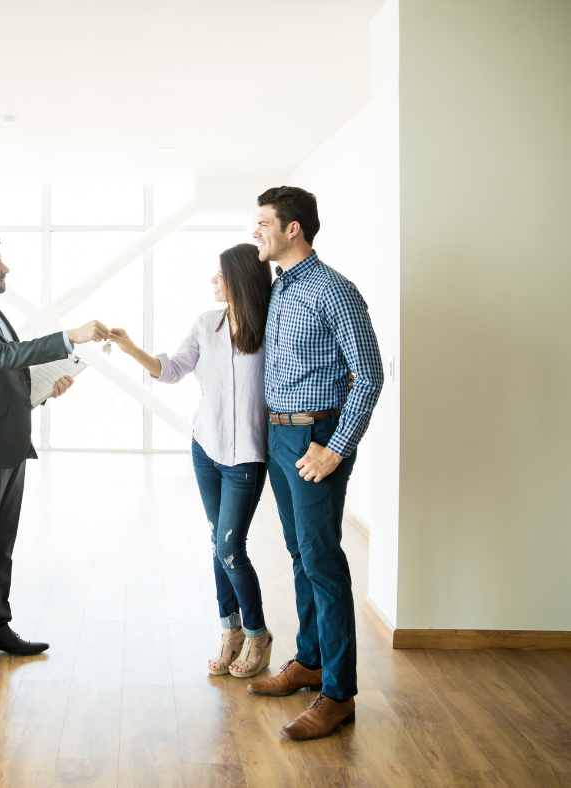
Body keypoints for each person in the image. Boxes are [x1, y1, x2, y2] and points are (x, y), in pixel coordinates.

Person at [0, 232, 109, 680]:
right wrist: (68, 337)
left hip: (12, 441)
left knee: (0, 547)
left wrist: (42, 390)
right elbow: (1, 355)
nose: (5, 269)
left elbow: (7, 373)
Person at [245, 187, 383, 740]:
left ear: (293, 228)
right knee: (300, 552)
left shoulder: (334, 291)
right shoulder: (280, 288)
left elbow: (368, 375)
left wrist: (336, 447)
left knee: (323, 560)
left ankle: (339, 693)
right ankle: (308, 659)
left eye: (263, 223)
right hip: (280, 436)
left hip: (317, 439)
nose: (256, 232)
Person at [109, 243, 274, 679]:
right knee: (218, 544)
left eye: (220, 276)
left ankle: (258, 634)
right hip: (206, 448)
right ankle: (230, 631)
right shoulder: (206, 323)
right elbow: (173, 369)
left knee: (229, 547)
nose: (213, 282)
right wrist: (131, 349)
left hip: (247, 457)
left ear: (240, 279)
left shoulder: (273, 324)